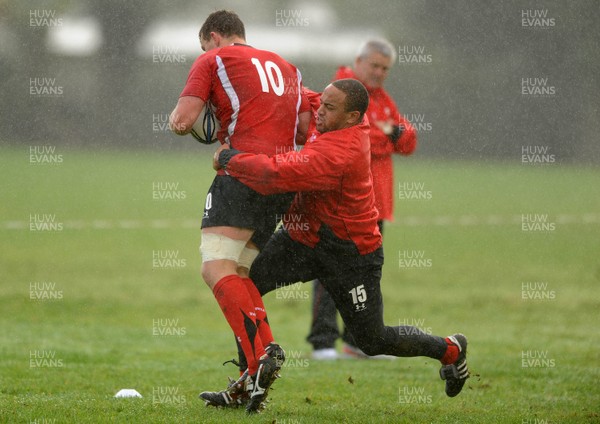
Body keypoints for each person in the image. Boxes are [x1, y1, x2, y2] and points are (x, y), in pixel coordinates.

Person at [200, 79, 469, 410]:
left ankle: (450, 350)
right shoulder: (331, 111)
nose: (320, 111)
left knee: (372, 340)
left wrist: (230, 158)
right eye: (322, 103)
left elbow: (276, 173)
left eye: (329, 108)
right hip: (303, 239)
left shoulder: (342, 152)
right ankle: (250, 380)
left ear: (353, 117)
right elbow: (298, 93)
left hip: (350, 255)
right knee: (245, 284)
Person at [169, 10, 309, 413]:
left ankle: (259, 359)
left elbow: (183, 121)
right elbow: (302, 131)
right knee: (240, 271)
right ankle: (257, 373)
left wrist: (179, 120)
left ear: (214, 37)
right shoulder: (288, 67)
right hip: (282, 180)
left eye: (204, 46)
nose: (204, 52)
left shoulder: (212, 59)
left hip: (243, 172)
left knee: (214, 268)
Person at [308, 39, 418, 360]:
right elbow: (349, 135)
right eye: (375, 65)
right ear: (358, 60)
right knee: (330, 268)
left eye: (386, 68)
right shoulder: (340, 90)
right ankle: (323, 342)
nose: (380, 73)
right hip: (341, 201)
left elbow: (409, 140)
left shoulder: (381, 98)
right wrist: (388, 134)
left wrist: (390, 132)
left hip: (376, 204)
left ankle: (359, 341)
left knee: (364, 275)